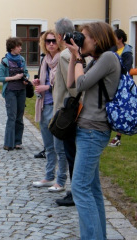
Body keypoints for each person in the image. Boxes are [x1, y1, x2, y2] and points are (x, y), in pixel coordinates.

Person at [66, 21, 120, 240]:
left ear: (96, 38)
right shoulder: (98, 59)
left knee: (79, 188)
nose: (80, 39)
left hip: (93, 130)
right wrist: (73, 56)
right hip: (87, 129)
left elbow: (81, 83)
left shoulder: (108, 57)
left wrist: (79, 57)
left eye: (84, 36)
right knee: (93, 188)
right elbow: (72, 82)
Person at [31, 30, 67, 193]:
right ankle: (48, 176)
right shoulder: (45, 60)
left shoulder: (63, 59)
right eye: (48, 41)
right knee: (48, 147)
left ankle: (61, 180)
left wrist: (48, 87)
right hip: (43, 105)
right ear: (43, 44)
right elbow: (44, 81)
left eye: (53, 41)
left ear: (58, 42)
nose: (51, 44)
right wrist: (38, 82)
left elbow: (67, 84)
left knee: (59, 147)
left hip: (57, 107)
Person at [53, 18, 77, 206]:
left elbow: (73, 87)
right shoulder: (74, 53)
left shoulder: (65, 56)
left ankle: (75, 192)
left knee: (71, 154)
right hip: (74, 110)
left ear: (60, 36)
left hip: (68, 111)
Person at [0, 37, 29, 151]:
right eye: (18, 46)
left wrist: (26, 78)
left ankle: (17, 142)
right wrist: (13, 78)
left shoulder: (22, 59)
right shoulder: (5, 61)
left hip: (22, 91)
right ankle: (8, 143)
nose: (20, 48)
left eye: (20, 46)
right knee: (12, 116)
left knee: (19, 117)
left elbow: (26, 72)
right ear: (12, 48)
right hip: (10, 91)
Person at [108, 28, 133, 147]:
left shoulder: (127, 52)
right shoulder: (112, 49)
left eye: (114, 37)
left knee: (122, 107)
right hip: (112, 82)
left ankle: (118, 136)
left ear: (120, 38)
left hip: (122, 84)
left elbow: (126, 68)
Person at [34, 31, 46, 159]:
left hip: (51, 98)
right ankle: (46, 148)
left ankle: (48, 149)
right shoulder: (44, 57)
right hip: (43, 96)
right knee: (43, 125)